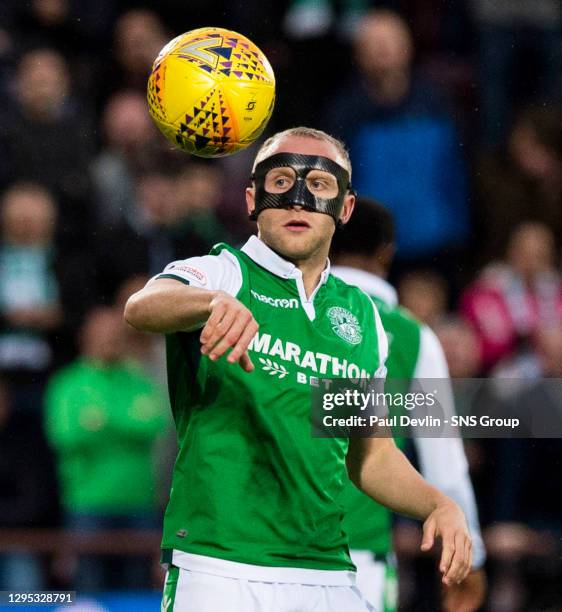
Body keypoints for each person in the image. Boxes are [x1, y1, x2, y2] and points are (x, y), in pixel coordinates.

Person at [125, 127, 472, 612]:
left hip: (327, 570)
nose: (299, 200)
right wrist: (211, 303)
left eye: (321, 186)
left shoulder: (362, 314)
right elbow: (143, 306)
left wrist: (439, 504)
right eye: (282, 181)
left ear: (345, 209)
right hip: (220, 567)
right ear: (252, 199)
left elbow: (369, 456)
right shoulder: (224, 272)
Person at [330, 197, 486, 612]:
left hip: (259, 552)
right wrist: (471, 559)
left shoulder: (282, 314)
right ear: (387, 252)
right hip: (357, 558)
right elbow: (445, 464)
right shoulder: (411, 335)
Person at [45, 306, 167, 591]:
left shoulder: (138, 380)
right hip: (87, 503)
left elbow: (154, 425)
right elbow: (65, 436)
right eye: (104, 333)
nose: (111, 340)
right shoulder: (68, 383)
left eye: (117, 333)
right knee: (89, 588)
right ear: (85, 336)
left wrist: (102, 421)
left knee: (138, 591)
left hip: (140, 503)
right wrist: (127, 424)